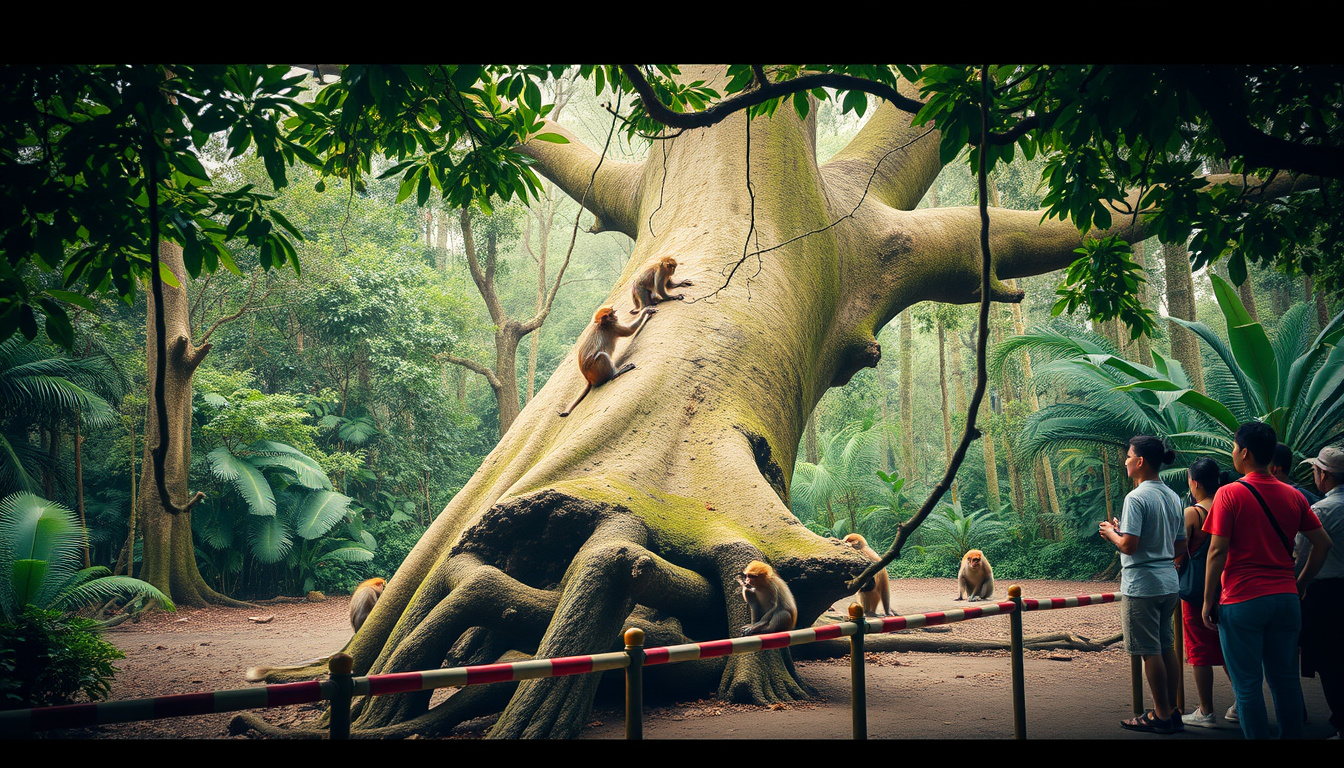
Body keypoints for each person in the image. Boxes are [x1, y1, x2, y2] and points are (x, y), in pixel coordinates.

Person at [1201, 422, 1332, 739]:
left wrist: (1207, 600)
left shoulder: (1229, 493)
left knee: (1247, 685)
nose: (1233, 452)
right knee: (1285, 681)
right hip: (1286, 600)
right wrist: (1299, 584)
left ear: (1244, 452)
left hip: (1242, 600)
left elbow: (1217, 551)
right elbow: (1322, 543)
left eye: (1234, 447)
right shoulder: (1293, 495)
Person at [1101, 435, 1186, 734]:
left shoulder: (1135, 498)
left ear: (1140, 461)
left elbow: (1129, 547)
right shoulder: (1174, 497)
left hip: (1143, 584)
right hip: (1168, 581)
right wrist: (1126, 534)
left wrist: (1112, 533)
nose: (1125, 460)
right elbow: (1179, 547)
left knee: (1150, 650)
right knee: (1166, 647)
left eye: (1128, 455)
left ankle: (1160, 715)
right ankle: (1173, 709)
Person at [1175, 458, 1234, 728]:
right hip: (1228, 588)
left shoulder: (1193, 513)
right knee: (1229, 648)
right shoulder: (1230, 506)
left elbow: (1178, 554)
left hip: (1197, 592)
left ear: (1194, 482)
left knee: (1198, 650)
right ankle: (1241, 703)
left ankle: (1206, 710)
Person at [1299, 446, 1344, 737]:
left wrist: (1298, 583)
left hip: (1326, 592)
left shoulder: (1322, 510)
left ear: (1323, 475)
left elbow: (1302, 552)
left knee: (1330, 662)